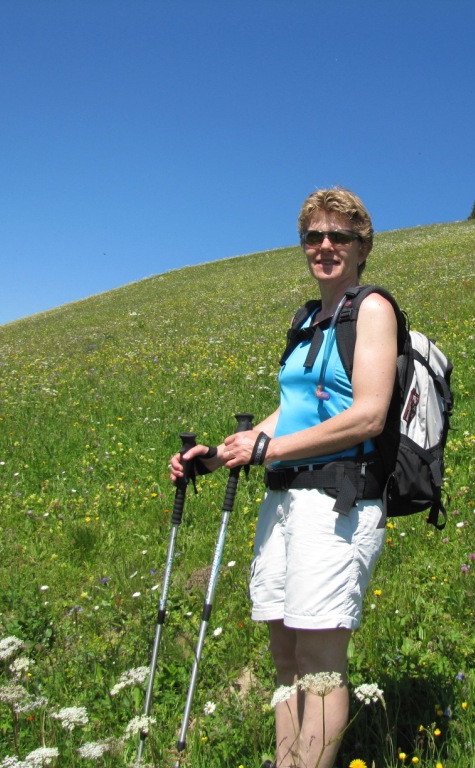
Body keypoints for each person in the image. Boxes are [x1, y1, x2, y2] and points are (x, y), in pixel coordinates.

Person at [170, 187, 397, 768]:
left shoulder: (371, 309)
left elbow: (369, 413)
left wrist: (271, 447)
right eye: (313, 236)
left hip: (338, 502)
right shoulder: (307, 318)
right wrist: (222, 454)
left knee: (320, 663)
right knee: (286, 651)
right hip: (285, 501)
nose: (324, 246)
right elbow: (290, 410)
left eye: (338, 236)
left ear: (362, 246)